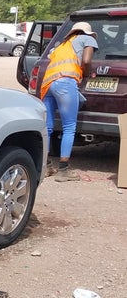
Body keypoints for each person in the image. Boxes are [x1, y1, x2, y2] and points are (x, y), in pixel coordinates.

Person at [39, 21, 98, 181]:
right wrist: (86, 74)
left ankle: (46, 166)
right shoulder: (87, 39)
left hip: (48, 84)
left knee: (48, 128)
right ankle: (64, 170)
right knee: (69, 127)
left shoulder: (61, 45)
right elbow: (86, 61)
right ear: (87, 33)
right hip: (65, 82)